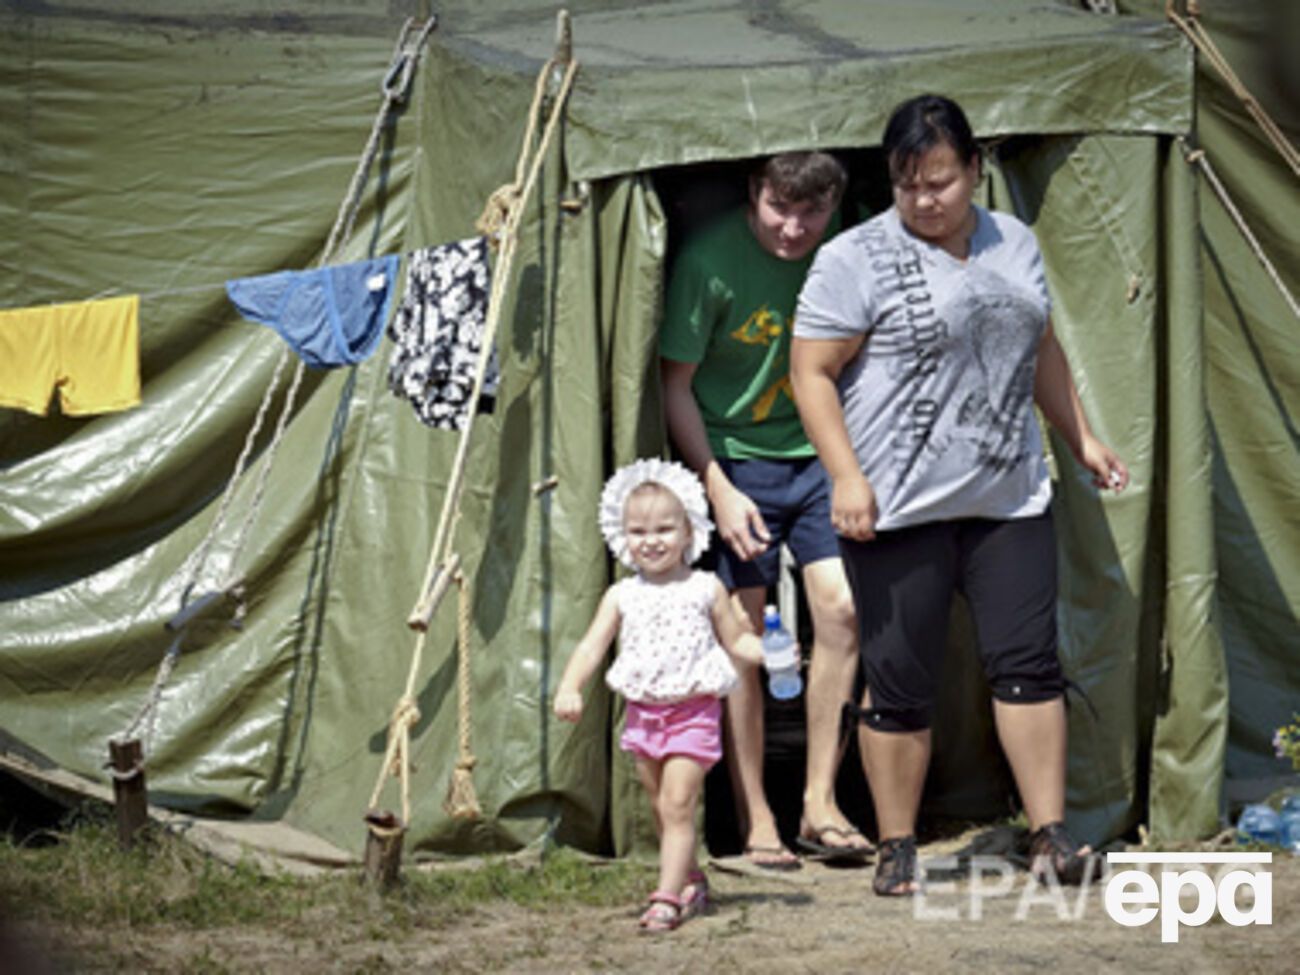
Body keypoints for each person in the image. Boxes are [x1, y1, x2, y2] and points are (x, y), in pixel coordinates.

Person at [790, 94, 1130, 896]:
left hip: (1008, 496)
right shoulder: (851, 259)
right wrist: (846, 475)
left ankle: (1050, 836)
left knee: (1028, 667)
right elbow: (810, 373)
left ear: (975, 170)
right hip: (898, 506)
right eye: (908, 185)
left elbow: (1040, 344)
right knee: (901, 679)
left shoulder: (1014, 240)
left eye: (940, 181)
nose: (925, 199)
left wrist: (1081, 437)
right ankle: (898, 843)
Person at [659, 151, 869, 868]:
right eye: (780, 208)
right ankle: (756, 815)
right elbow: (674, 385)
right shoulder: (709, 259)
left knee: (840, 610)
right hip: (736, 457)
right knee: (744, 629)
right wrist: (715, 483)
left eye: (811, 212)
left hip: (819, 454)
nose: (794, 228)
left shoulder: (844, 243)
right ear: (755, 192)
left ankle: (820, 800)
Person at [553, 458, 769, 932]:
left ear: (689, 532)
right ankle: (691, 878)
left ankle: (666, 898)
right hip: (643, 715)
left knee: (677, 804)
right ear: (621, 536)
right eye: (638, 530)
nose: (651, 540)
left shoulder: (705, 587)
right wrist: (571, 685)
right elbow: (592, 645)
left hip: (695, 711)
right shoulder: (621, 595)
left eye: (664, 529)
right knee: (661, 807)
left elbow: (737, 640)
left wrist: (769, 648)